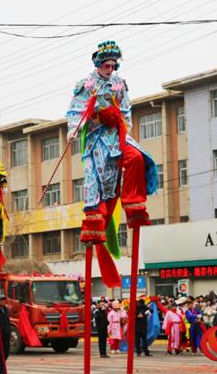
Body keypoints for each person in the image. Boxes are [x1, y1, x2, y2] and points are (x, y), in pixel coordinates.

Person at [66, 41, 157, 283]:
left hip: (118, 134)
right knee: (100, 182)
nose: (110, 67)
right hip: (97, 137)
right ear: (98, 64)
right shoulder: (86, 84)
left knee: (137, 157)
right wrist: (75, 128)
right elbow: (75, 110)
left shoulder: (119, 83)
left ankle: (134, 203)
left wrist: (124, 127)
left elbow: (126, 110)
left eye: (113, 64)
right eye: (106, 64)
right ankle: (96, 216)